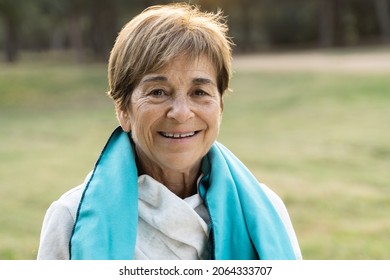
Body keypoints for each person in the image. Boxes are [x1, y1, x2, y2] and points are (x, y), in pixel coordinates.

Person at [37, 3, 302, 260]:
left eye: (199, 92)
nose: (181, 112)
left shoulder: (266, 211)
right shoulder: (72, 218)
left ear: (220, 106)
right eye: (158, 92)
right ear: (123, 110)